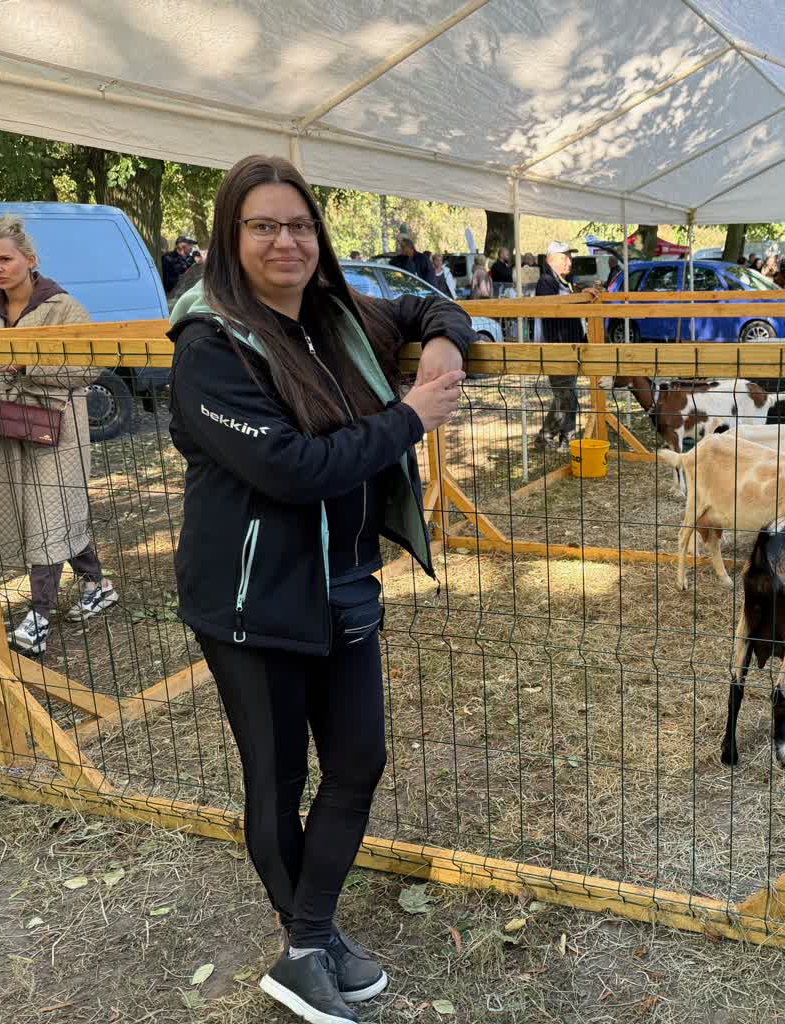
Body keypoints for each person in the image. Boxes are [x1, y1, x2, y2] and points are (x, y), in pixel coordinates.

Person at [167, 154, 473, 1024]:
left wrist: (442, 346)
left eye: (300, 225)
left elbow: (433, 305)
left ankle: (309, 938)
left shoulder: (339, 317)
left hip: (344, 582)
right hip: (250, 597)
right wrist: (410, 416)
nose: (286, 242)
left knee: (358, 761)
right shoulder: (211, 345)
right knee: (277, 776)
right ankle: (307, 946)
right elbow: (291, 469)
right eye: (263, 225)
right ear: (230, 237)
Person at [0, 215, 121, 655]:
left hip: (58, 432)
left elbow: (90, 365)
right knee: (41, 515)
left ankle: (39, 616)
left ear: (30, 259)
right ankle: (98, 584)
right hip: (5, 430)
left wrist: (28, 365)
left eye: (5, 259)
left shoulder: (64, 307)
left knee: (49, 515)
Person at [533, 242, 583, 447]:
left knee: (568, 395)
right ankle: (549, 436)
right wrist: (578, 299)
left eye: (569, 257)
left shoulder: (565, 283)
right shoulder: (546, 282)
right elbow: (553, 312)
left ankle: (564, 437)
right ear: (550, 259)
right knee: (566, 396)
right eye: (564, 257)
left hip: (569, 348)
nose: (569, 262)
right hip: (556, 348)